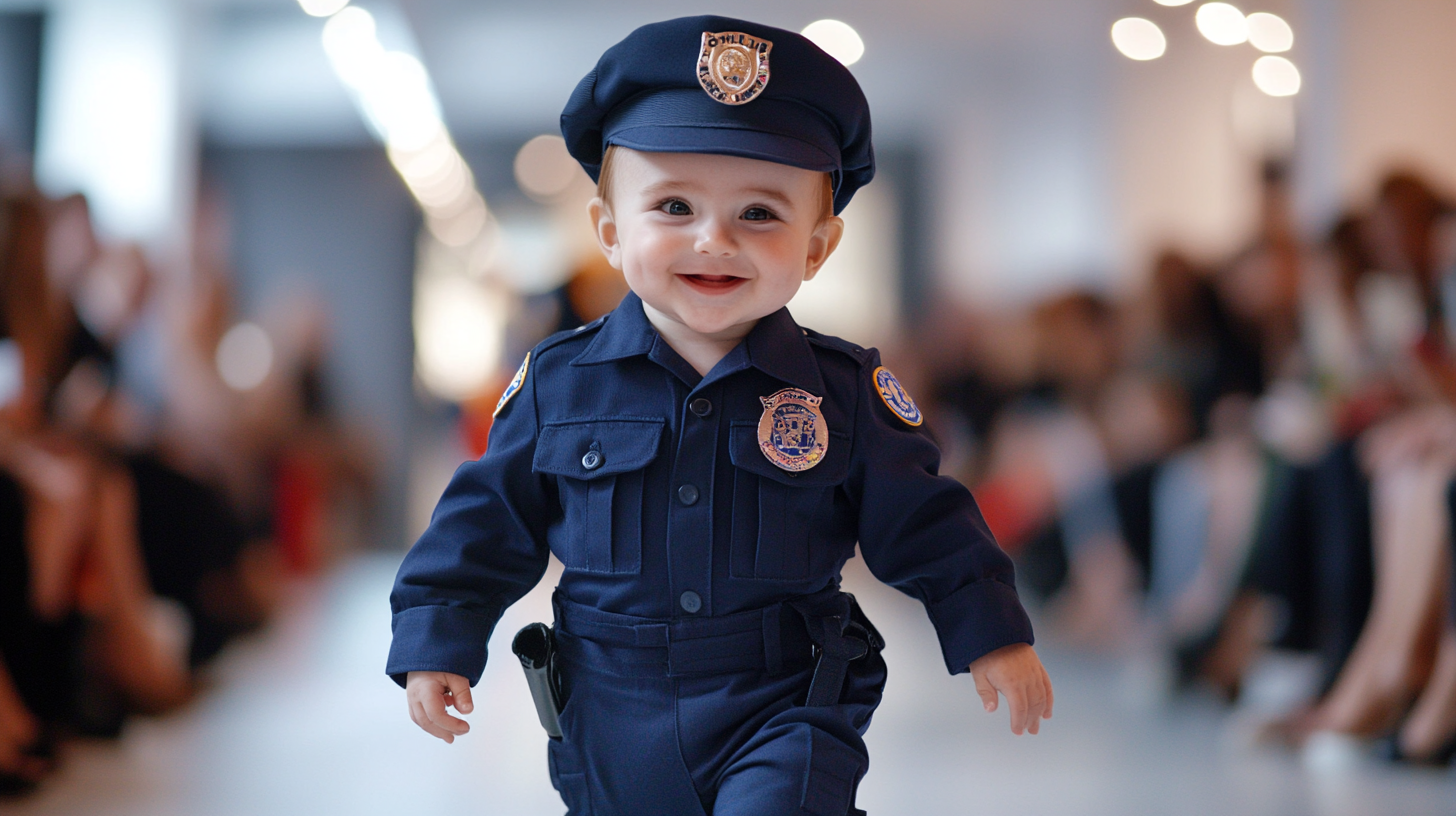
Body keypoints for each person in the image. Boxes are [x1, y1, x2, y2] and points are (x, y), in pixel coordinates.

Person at [386, 16, 1053, 815]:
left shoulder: (842, 392)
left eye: (761, 215)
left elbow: (929, 521)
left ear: (817, 246)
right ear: (609, 231)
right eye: (673, 206)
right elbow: (482, 524)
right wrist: (438, 640)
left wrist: (991, 630)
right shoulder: (558, 385)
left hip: (787, 699)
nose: (714, 240)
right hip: (610, 713)